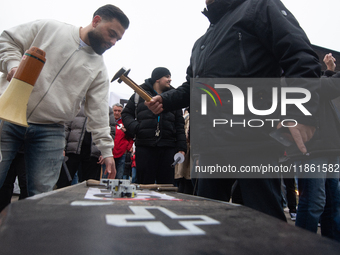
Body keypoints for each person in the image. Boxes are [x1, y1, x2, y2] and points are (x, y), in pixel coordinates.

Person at [145, 0, 321, 221]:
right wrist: (166, 99)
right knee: (206, 220)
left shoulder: (260, 6)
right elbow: (192, 86)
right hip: (211, 146)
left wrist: (300, 113)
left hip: (253, 141)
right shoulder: (202, 42)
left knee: (263, 221)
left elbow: (301, 56)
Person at [0, 4, 129, 196]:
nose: (113, 42)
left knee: (41, 195)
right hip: (7, 115)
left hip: (50, 129)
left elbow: (99, 113)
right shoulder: (50, 29)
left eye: (118, 39)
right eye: (111, 34)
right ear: (96, 21)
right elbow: (7, 40)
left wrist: (107, 151)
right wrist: (13, 66)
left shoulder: (99, 70)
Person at [283, 54, 340, 242]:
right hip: (310, 150)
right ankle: (303, 247)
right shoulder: (293, 78)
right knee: (314, 201)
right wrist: (331, 73)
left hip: (330, 148)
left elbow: (326, 84)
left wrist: (330, 70)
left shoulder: (317, 80)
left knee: (332, 204)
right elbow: (328, 87)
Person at [122, 67, 187, 184]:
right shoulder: (138, 95)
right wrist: (136, 127)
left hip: (168, 147)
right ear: (157, 79)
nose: (170, 80)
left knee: (166, 186)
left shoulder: (174, 97)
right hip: (145, 146)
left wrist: (181, 147)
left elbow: (179, 123)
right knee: (144, 186)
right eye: (167, 76)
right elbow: (126, 113)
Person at [56, 103, 116, 188]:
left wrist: (105, 152)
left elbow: (111, 132)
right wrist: (63, 147)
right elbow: (65, 127)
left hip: (95, 153)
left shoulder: (107, 109)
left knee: (91, 186)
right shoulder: (75, 105)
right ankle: (61, 201)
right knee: (63, 183)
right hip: (72, 150)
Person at [112, 103, 134, 179]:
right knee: (107, 177)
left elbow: (132, 137)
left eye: (119, 111)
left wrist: (127, 147)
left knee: (119, 177)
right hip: (110, 153)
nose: (117, 112)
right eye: (115, 110)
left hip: (122, 154)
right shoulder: (108, 122)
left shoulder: (126, 122)